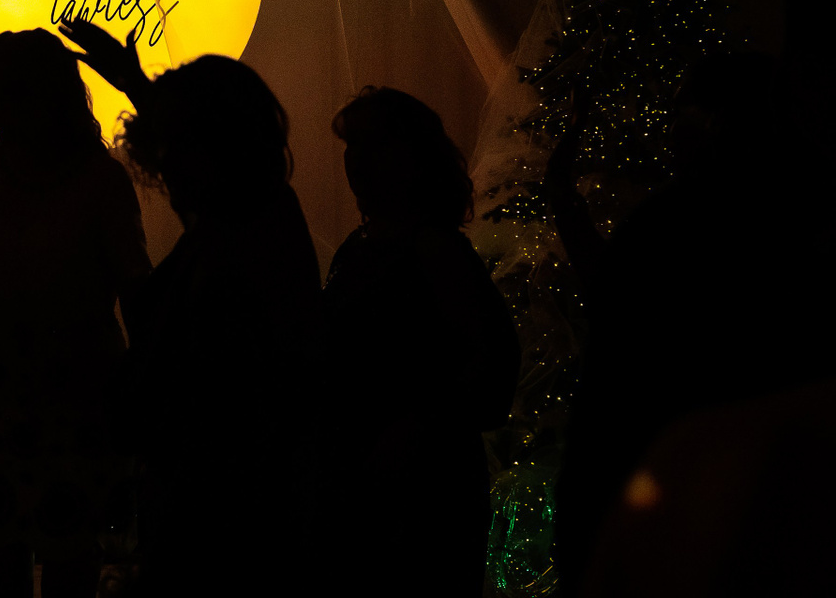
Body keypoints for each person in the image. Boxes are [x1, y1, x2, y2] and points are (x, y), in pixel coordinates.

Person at [552, 52, 836, 592]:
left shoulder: (681, 228)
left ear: (718, 119)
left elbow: (618, 349)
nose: (668, 128)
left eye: (680, 111)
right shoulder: (792, 223)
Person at [61, 18, 322, 596]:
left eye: (178, 146)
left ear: (211, 148)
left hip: (225, 514)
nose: (165, 163)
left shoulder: (241, 237)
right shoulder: (253, 221)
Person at [0, 30, 149, 598]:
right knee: (64, 567)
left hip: (21, 405)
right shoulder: (95, 181)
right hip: (61, 402)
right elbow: (137, 295)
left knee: (15, 569)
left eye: (8, 92)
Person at [320, 87, 519, 596]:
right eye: (350, 145)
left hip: (425, 497)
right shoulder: (360, 247)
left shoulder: (434, 248)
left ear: (408, 156)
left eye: (370, 143)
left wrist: (417, 428)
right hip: (366, 488)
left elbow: (493, 363)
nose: (355, 160)